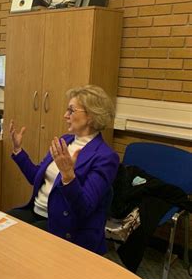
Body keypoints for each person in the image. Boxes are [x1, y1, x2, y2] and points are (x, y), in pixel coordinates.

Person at [8, 85, 119, 255]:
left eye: (71, 110)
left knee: (19, 246)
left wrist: (68, 176)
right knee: (2, 227)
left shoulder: (106, 157)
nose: (65, 115)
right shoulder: (65, 141)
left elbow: (85, 208)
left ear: (90, 116)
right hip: (36, 211)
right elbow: (36, 177)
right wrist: (18, 151)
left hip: (68, 226)